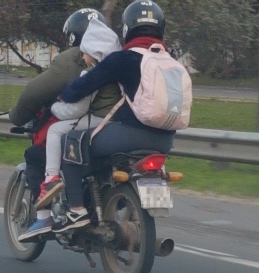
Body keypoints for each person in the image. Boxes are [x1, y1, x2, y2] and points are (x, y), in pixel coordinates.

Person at [51, 0, 176, 233]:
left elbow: (86, 84)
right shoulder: (170, 59)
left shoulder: (123, 58)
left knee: (72, 142)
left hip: (130, 135)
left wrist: (63, 96)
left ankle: (76, 211)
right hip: (165, 141)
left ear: (127, 28)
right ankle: (123, 207)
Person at [18, 18, 122, 242]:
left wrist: (55, 107)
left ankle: (51, 178)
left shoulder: (92, 74)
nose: (81, 57)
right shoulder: (116, 71)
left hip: (97, 120)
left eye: (84, 53)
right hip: (115, 122)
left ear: (93, 52)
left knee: (56, 131)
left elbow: (78, 110)